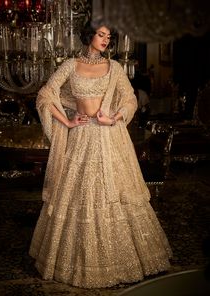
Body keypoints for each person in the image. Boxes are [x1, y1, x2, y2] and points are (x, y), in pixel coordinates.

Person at [29, 21, 172, 288]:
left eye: (109, 36)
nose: (106, 40)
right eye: (101, 34)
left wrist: (115, 117)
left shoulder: (114, 67)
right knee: (79, 193)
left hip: (109, 137)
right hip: (82, 137)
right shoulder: (70, 66)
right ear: (89, 35)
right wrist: (68, 121)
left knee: (114, 192)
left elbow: (130, 99)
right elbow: (46, 94)